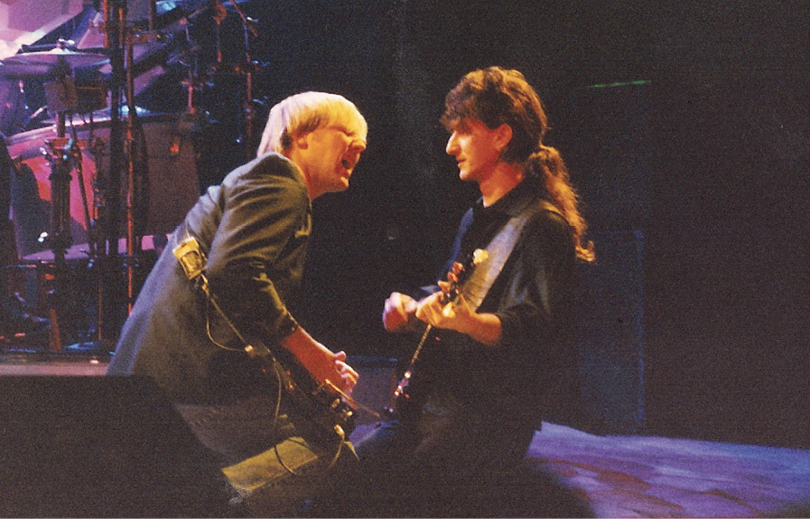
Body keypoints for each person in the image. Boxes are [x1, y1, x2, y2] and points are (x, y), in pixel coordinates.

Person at [315, 67, 595, 517]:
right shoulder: (476, 217)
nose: (450, 146)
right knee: (334, 496)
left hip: (484, 420)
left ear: (502, 136)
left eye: (463, 131)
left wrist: (468, 322)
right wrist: (411, 306)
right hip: (430, 404)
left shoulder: (542, 225)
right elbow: (457, 294)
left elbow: (540, 329)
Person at [106, 91, 368, 511]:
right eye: (348, 133)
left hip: (159, 385)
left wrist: (306, 369)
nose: (359, 145)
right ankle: (203, 506)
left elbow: (239, 300)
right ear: (300, 136)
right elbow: (235, 274)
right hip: (186, 389)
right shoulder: (278, 178)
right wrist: (310, 351)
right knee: (329, 452)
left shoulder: (256, 182)